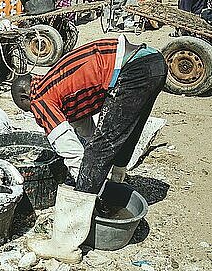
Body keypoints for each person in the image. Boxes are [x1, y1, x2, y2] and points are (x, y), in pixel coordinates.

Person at [10, 36, 167, 264]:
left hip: (132, 69)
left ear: (25, 96)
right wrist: (101, 171)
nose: (32, 114)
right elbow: (88, 130)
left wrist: (88, 183)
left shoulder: (39, 98)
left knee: (98, 151)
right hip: (153, 61)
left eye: (26, 109)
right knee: (126, 130)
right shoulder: (59, 83)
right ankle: (117, 179)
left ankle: (64, 244)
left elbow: (74, 152)